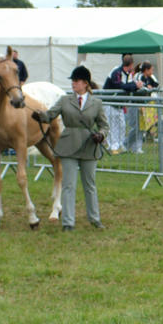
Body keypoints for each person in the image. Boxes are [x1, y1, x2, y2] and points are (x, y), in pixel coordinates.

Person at [30, 66, 109, 232]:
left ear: (85, 83)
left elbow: (104, 125)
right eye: (72, 81)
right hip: (68, 146)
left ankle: (95, 218)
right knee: (68, 185)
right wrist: (39, 115)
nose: (73, 84)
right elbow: (50, 115)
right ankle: (68, 222)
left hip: (89, 145)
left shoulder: (97, 103)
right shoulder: (65, 100)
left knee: (90, 185)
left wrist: (101, 135)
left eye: (76, 81)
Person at [103, 54, 143, 154]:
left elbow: (128, 85)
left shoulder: (127, 74)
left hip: (119, 103)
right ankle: (113, 146)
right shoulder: (116, 72)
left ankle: (120, 145)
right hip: (110, 102)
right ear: (131, 64)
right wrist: (135, 85)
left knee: (121, 125)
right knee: (112, 125)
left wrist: (134, 85)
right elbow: (120, 85)